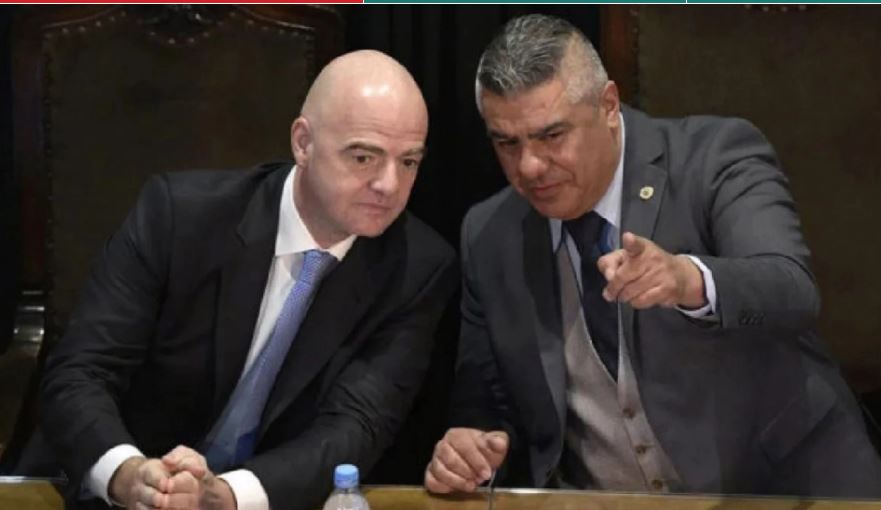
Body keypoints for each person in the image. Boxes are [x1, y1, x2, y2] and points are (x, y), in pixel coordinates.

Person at [425, 14, 881, 498]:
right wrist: (469, 448)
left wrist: (689, 279)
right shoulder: (489, 233)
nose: (530, 166)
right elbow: (486, 402)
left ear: (608, 105)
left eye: (552, 136)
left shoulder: (714, 158)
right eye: (507, 143)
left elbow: (791, 290)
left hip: (782, 488)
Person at [17, 49, 457, 510]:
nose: (389, 185)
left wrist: (225, 496)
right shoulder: (180, 217)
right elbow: (81, 372)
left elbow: (356, 424)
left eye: (409, 162)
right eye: (364, 157)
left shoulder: (419, 268)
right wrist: (129, 475)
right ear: (303, 143)